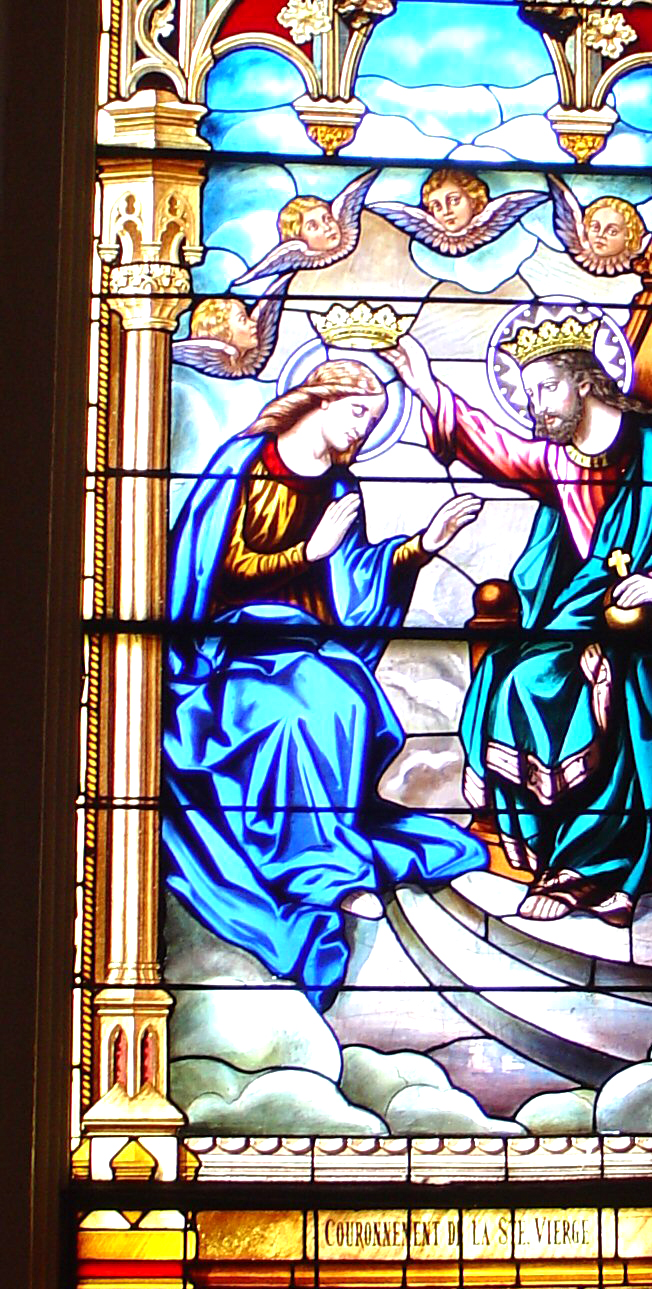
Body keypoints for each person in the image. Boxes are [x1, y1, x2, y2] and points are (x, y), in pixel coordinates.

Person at [389, 321, 652, 927]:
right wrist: (425, 385)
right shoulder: (558, 458)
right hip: (580, 613)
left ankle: (594, 862)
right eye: (529, 394)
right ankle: (556, 848)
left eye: (546, 389)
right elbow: (496, 448)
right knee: (510, 672)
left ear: (585, 382)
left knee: (597, 679)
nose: (536, 406)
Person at [162, 358, 482, 1002]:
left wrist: (422, 545)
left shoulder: (340, 490)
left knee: (341, 697)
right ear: (321, 399)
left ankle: (324, 856)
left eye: (376, 420)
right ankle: (323, 875)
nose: (365, 429)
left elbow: (355, 584)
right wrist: (304, 553)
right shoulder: (241, 466)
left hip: (306, 646)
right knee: (292, 716)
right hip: (222, 657)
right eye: (359, 412)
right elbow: (208, 568)